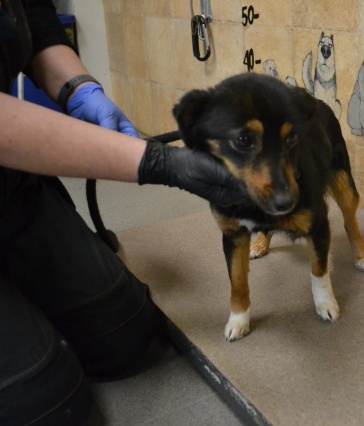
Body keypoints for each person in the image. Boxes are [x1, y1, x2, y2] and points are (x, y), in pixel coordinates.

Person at [0, 1, 246, 424]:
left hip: (11, 187)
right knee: (46, 403)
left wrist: (81, 89)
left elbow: (36, 22)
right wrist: (157, 163)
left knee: (125, 334)